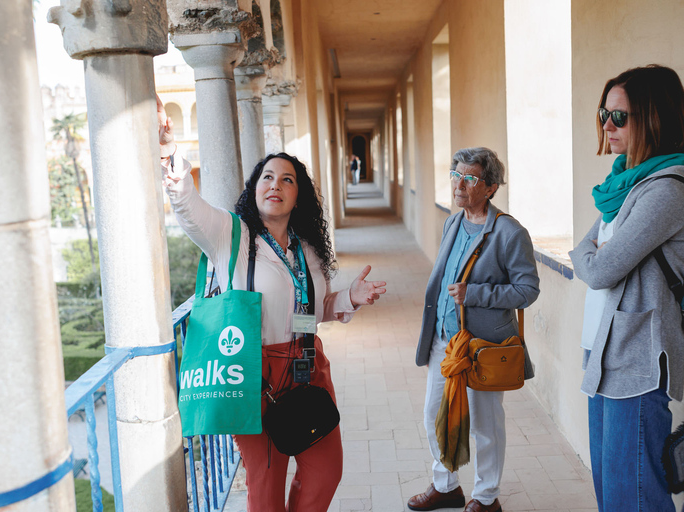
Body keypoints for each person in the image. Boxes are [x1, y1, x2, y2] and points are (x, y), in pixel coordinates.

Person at [157, 97, 387, 512]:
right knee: (265, 489)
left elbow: (311, 310)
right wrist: (169, 153)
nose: (275, 185)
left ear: (298, 196)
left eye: (287, 179)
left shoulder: (309, 250)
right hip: (250, 373)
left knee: (325, 471)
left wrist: (347, 298)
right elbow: (189, 209)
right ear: (255, 188)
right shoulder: (233, 238)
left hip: (307, 366)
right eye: (267, 177)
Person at [569, 64, 684, 512]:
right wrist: (594, 256)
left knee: (634, 497)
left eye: (620, 116)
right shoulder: (625, 183)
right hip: (605, 357)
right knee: (612, 494)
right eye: (604, 114)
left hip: (637, 363)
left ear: (654, 118)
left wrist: (594, 257)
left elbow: (598, 269)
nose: (607, 126)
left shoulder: (666, 189)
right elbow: (585, 248)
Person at [408, 147, 540, 512]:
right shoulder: (453, 222)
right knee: (435, 413)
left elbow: (528, 290)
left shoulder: (509, 232)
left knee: (485, 424)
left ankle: (485, 497)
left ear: (491, 186)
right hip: (445, 342)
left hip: (483, 345)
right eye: (456, 175)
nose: (459, 184)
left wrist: (475, 294)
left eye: (470, 178)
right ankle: (446, 486)